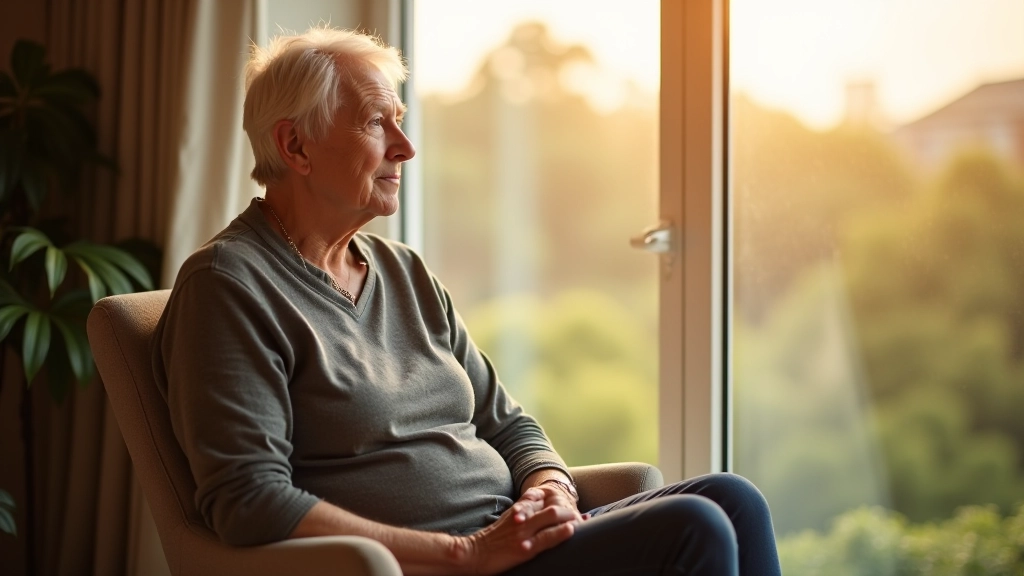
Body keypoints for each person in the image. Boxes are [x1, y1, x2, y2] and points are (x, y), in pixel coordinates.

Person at [152, 26, 782, 576]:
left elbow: (509, 424)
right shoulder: (228, 285)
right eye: (376, 122)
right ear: (295, 147)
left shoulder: (404, 272)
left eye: (401, 119)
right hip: (443, 564)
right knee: (695, 527)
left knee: (734, 498)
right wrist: (469, 554)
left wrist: (551, 487)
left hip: (508, 541)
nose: (405, 146)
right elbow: (248, 500)